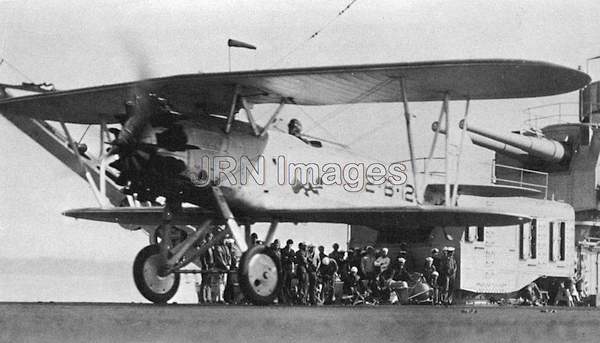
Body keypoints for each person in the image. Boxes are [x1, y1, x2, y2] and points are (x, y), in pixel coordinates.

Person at [214, 238, 232, 303]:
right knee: (219, 283)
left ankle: (221, 297)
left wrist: (228, 265)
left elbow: (229, 256)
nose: (224, 241)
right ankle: (219, 298)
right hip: (220, 267)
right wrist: (225, 266)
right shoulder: (218, 248)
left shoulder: (226, 247)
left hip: (226, 267)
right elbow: (219, 258)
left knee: (223, 283)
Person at [200, 232, 215, 303]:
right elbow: (202, 257)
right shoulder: (204, 246)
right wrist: (205, 264)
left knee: (209, 283)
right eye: (210, 237)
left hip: (211, 266)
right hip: (206, 266)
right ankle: (203, 297)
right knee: (204, 282)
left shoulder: (211, 247)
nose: (210, 239)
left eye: (211, 237)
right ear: (207, 238)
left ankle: (209, 297)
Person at [280, 239, 295, 304]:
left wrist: (288, 258)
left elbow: (293, 259)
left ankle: (288, 298)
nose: (289, 245)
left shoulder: (292, 251)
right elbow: (283, 259)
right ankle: (283, 298)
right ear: (287, 244)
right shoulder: (283, 250)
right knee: (283, 284)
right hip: (284, 269)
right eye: (289, 244)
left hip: (289, 269)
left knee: (289, 284)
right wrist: (289, 259)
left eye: (291, 244)